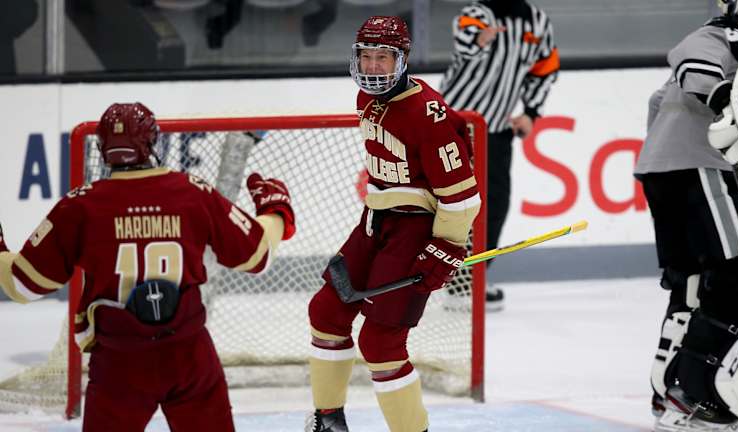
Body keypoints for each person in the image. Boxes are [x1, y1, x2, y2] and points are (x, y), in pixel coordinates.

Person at [0, 102, 296, 432]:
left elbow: (22, 285)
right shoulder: (191, 190)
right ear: (152, 142)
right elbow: (258, 256)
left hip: (119, 361)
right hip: (188, 355)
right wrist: (276, 212)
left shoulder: (79, 205)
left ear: (102, 147)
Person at [305, 16, 480, 432]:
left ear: (402, 59)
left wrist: (448, 246)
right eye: (366, 57)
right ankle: (328, 422)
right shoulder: (366, 98)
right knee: (326, 312)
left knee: (381, 343)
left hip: (415, 229)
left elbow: (462, 197)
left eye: (382, 57)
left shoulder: (427, 115)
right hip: (375, 221)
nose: (372, 67)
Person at [634, 1, 738, 430]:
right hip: (702, 168)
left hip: (667, 170)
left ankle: (668, 392)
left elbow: (657, 102)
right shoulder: (728, 36)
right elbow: (694, 61)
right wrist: (722, 97)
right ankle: (696, 394)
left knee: (691, 284)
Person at [440, 0, 559, 312]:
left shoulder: (537, 21)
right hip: (452, 127)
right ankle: (445, 277)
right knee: (451, 204)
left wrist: (531, 112)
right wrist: (480, 40)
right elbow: (464, 42)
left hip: (494, 132)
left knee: (494, 207)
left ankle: (470, 277)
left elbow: (545, 69)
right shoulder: (477, 13)